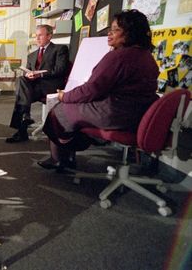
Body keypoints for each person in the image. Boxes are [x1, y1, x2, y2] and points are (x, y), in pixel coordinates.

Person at [38, 9, 159, 171]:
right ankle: (68, 155)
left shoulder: (118, 57)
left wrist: (64, 96)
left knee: (58, 111)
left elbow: (91, 90)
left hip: (114, 113)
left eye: (116, 29)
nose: (109, 33)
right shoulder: (147, 56)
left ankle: (59, 158)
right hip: (137, 115)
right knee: (72, 110)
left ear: (130, 33)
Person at [6, 24, 69, 143]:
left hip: (50, 86)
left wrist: (40, 74)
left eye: (40, 35)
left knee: (21, 94)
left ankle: (22, 129)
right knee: (21, 79)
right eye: (36, 36)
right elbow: (29, 71)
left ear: (49, 36)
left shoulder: (60, 49)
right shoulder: (32, 55)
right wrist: (28, 75)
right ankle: (26, 118)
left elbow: (61, 70)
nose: (37, 38)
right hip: (34, 87)